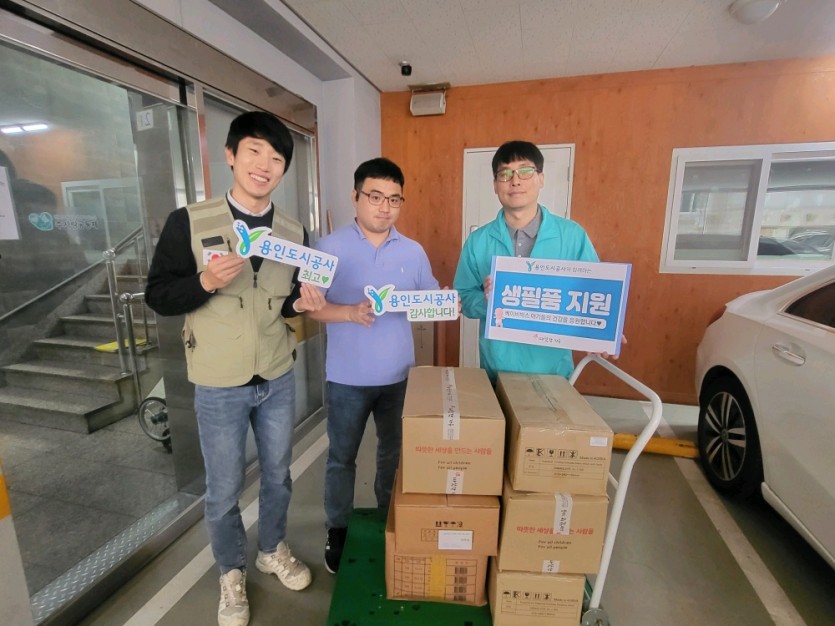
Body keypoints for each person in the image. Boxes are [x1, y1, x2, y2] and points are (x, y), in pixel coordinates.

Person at [145, 111, 324, 626]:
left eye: (276, 157)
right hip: (218, 381)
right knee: (223, 488)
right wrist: (204, 282)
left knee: (278, 475)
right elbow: (159, 295)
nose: (264, 165)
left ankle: (271, 549)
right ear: (230, 155)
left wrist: (303, 302)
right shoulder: (190, 221)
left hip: (277, 373)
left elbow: (285, 299)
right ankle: (230, 571)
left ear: (284, 169)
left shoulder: (293, 231)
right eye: (254, 151)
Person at [305, 157, 440, 573]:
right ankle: (338, 528)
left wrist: (443, 302)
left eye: (394, 199)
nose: (385, 207)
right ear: (356, 197)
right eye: (375, 197)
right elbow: (311, 308)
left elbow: (430, 300)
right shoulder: (327, 248)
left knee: (392, 455)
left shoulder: (413, 251)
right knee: (341, 458)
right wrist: (348, 312)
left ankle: (387, 517)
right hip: (346, 378)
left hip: (399, 377)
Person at [454, 140, 599, 383]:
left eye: (525, 171)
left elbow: (594, 293)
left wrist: (603, 333)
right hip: (497, 369)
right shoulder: (478, 241)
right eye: (505, 174)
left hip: (554, 371)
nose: (515, 181)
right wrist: (489, 301)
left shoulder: (572, 236)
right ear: (495, 185)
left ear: (541, 178)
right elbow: (464, 298)